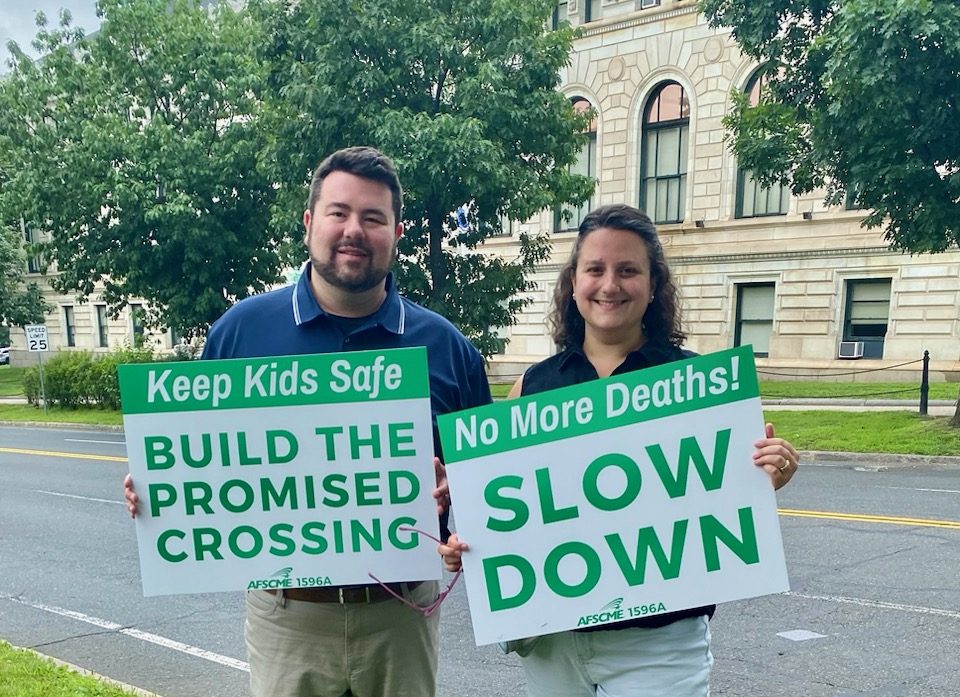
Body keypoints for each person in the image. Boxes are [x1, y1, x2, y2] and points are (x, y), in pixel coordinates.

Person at [124, 146, 491, 697]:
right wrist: (158, 489)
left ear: (397, 231)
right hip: (287, 614)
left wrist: (459, 499)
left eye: (373, 218)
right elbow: (200, 462)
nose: (354, 230)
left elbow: (491, 492)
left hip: (401, 612)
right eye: (338, 213)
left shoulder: (447, 348)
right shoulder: (240, 333)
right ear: (309, 223)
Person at [439, 203, 799, 697]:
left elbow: (722, 493)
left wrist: (767, 471)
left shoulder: (698, 385)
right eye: (595, 269)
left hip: (660, 644)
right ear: (573, 282)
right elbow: (510, 514)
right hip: (553, 640)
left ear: (654, 285)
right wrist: (472, 548)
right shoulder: (533, 386)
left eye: (628, 270)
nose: (610, 285)